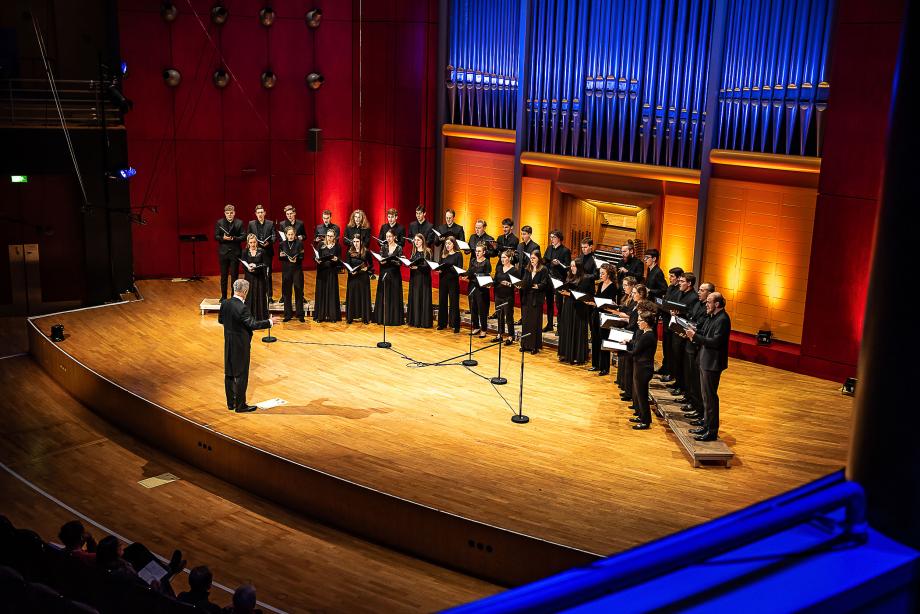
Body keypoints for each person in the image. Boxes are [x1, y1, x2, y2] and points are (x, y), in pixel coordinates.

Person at [219, 279, 277, 413]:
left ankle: (231, 403)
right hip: (241, 345)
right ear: (245, 291)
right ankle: (240, 406)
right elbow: (253, 324)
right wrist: (269, 322)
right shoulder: (242, 307)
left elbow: (221, 320)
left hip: (228, 343)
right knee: (241, 374)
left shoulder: (225, 303)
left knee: (229, 373)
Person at [686, 292, 731, 441]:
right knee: (705, 397)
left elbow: (716, 342)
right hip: (705, 360)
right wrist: (692, 332)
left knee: (710, 398)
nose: (706, 304)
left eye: (709, 302)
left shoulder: (723, 319)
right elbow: (704, 332)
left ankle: (711, 432)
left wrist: (695, 337)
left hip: (712, 364)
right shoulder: (712, 317)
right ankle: (706, 425)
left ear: (717, 304)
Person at [681, 280, 714, 421]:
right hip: (693, 343)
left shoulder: (715, 315)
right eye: (699, 289)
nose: (699, 292)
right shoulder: (698, 304)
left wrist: (693, 332)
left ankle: (698, 409)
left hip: (700, 349)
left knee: (698, 381)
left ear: (710, 294)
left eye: (702, 290)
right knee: (691, 376)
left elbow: (704, 330)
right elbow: (692, 318)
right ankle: (693, 403)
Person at [666, 270, 699, 399]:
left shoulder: (693, 297)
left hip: (683, 332)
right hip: (676, 329)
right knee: (676, 358)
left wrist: (679, 313)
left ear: (689, 283)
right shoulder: (681, 293)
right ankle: (678, 382)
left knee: (681, 361)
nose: (679, 283)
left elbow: (691, 314)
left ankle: (682, 386)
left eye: (682, 281)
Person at [557, 259, 593, 364]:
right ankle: (566, 354)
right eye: (571, 266)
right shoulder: (569, 276)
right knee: (567, 328)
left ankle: (577, 355)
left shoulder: (585, 278)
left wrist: (570, 294)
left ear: (579, 267)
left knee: (577, 330)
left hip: (579, 308)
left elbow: (587, 294)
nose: (572, 268)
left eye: (574, 266)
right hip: (568, 306)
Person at [627, 310, 658, 430]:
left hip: (643, 369)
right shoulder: (646, 334)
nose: (638, 322)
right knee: (639, 394)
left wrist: (620, 352)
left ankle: (646, 421)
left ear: (646, 323)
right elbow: (637, 345)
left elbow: (635, 352)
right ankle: (641, 416)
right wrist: (629, 342)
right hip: (641, 367)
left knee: (642, 395)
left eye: (640, 321)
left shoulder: (648, 336)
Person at [620, 284, 648, 403]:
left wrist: (626, 331)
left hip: (635, 335)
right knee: (628, 366)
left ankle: (630, 393)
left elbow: (636, 324)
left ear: (641, 294)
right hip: (631, 334)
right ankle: (628, 391)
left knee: (632, 366)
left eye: (635, 293)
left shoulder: (643, 307)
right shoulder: (635, 305)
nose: (632, 294)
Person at [588, 263, 618, 375]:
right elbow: (597, 299)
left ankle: (605, 367)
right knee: (595, 339)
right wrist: (592, 302)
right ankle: (595, 364)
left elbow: (611, 303)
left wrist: (599, 303)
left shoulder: (613, 287)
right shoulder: (600, 285)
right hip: (596, 314)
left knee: (603, 341)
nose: (600, 275)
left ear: (609, 274)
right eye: (600, 273)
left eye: (603, 273)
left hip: (605, 316)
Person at [658, 266, 685, 380]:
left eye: (672, 276)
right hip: (665, 319)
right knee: (666, 347)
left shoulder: (679, 291)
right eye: (669, 275)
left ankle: (671, 372)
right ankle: (665, 367)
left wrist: (666, 307)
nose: (669, 278)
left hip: (672, 322)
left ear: (679, 278)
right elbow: (666, 302)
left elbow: (673, 306)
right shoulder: (670, 287)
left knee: (671, 349)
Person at [520, 250, 549, 354]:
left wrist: (538, 286)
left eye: (534, 258)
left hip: (536, 299)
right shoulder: (527, 268)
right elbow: (524, 281)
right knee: (526, 322)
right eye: (531, 258)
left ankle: (534, 346)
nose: (532, 260)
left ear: (539, 259)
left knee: (534, 323)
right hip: (527, 297)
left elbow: (545, 283)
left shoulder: (543, 269)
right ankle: (524, 344)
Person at [215, 204, 245, 301]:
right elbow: (216, 236)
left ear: (234, 213)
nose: (229, 215)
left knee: (234, 276)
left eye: (231, 213)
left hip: (235, 252)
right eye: (227, 213)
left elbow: (243, 237)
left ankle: (233, 296)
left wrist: (233, 238)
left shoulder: (239, 223)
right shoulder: (219, 222)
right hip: (223, 253)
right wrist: (222, 238)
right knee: (223, 276)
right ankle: (223, 296)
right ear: (225, 213)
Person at [374, 230, 404, 325]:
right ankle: (382, 318)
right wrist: (381, 261)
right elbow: (380, 259)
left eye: (390, 236)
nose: (388, 239)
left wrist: (392, 261)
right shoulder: (383, 247)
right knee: (384, 295)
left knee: (394, 295)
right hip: (385, 273)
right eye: (387, 237)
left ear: (394, 237)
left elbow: (400, 263)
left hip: (395, 275)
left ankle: (394, 319)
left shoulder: (399, 248)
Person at [543, 230, 571, 332]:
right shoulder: (549, 248)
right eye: (551, 237)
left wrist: (559, 263)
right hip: (549, 279)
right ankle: (549, 324)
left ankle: (560, 327)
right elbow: (545, 260)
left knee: (559, 305)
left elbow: (567, 267)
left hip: (559, 280)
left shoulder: (565, 251)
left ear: (559, 238)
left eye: (553, 237)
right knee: (549, 303)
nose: (551, 239)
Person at [247, 204, 275, 301]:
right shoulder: (251, 224)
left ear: (265, 213)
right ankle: (256, 295)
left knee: (267, 274)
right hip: (255, 252)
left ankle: (269, 296)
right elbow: (249, 236)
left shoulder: (270, 223)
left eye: (261, 212)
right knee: (256, 273)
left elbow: (274, 237)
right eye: (258, 212)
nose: (260, 214)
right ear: (255, 214)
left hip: (267, 252)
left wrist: (269, 242)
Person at [614, 276, 637, 393]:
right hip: (624, 327)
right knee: (622, 358)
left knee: (626, 360)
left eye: (626, 285)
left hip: (630, 331)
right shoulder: (626, 297)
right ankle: (622, 381)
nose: (624, 288)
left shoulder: (635, 302)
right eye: (623, 285)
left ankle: (626, 387)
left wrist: (620, 313)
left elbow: (630, 315)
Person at [313, 229, 341, 322]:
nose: (329, 238)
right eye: (328, 236)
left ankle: (332, 316)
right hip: (322, 272)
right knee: (322, 293)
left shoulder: (337, 246)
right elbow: (315, 256)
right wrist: (316, 259)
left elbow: (339, 260)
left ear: (334, 237)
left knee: (331, 293)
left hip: (332, 272)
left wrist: (336, 259)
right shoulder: (321, 245)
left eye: (331, 236)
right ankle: (320, 316)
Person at [437, 235, 463, 332]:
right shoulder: (443, 254)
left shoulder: (458, 255)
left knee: (454, 303)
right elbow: (440, 266)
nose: (447, 245)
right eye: (446, 244)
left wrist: (449, 267)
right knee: (442, 302)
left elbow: (459, 269)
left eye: (449, 243)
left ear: (453, 244)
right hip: (443, 280)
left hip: (453, 281)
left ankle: (455, 325)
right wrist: (439, 269)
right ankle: (442, 323)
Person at [279, 226, 305, 322]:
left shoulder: (299, 243)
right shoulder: (282, 244)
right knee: (286, 293)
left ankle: (300, 314)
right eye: (289, 234)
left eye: (292, 234)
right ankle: (288, 314)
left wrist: (296, 258)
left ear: (295, 235)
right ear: (286, 235)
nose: (290, 236)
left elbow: (302, 256)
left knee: (298, 291)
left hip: (297, 270)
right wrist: (287, 258)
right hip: (286, 270)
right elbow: (280, 256)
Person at [407, 233, 433, 328]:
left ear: (422, 240)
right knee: (415, 298)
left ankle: (424, 321)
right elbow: (410, 263)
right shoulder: (413, 251)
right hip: (414, 278)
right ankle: (415, 320)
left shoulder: (428, 251)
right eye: (415, 240)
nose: (416, 242)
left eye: (418, 240)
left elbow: (428, 266)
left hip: (424, 278)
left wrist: (417, 267)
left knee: (423, 298)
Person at [492, 249, 517, 344]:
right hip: (498, 294)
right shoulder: (499, 268)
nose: (502, 259)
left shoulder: (514, 270)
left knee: (509, 316)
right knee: (499, 315)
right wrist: (490, 283)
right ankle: (500, 334)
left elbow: (517, 285)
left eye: (504, 257)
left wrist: (509, 284)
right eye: (501, 257)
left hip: (508, 296)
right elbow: (495, 280)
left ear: (509, 258)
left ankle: (511, 336)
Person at [345, 234, 372, 324]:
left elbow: (371, 264)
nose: (356, 243)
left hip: (363, 277)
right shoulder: (349, 252)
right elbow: (348, 264)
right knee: (352, 296)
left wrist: (366, 268)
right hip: (353, 277)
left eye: (358, 241)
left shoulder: (366, 251)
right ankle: (350, 317)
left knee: (363, 296)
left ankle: (365, 317)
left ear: (361, 242)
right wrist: (350, 271)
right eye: (354, 241)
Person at [241, 234, 269, 321]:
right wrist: (248, 268)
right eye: (251, 242)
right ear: (248, 243)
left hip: (259, 277)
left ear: (257, 242)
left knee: (260, 295)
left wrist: (256, 266)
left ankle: (260, 317)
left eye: (254, 242)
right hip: (249, 277)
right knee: (249, 296)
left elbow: (265, 264)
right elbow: (243, 264)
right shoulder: (245, 252)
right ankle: (250, 317)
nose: (253, 244)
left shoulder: (262, 251)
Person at [467, 243, 492, 338]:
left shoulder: (486, 262)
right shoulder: (473, 261)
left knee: (482, 309)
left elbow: (487, 275)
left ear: (484, 252)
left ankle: (484, 329)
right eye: (476, 251)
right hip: (472, 286)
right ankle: (476, 327)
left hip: (482, 288)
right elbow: (470, 272)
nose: (477, 253)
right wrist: (466, 275)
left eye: (479, 251)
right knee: (473, 307)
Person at [344, 208, 373, 277]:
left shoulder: (366, 228)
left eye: (359, 217)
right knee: (352, 275)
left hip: (362, 255)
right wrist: (354, 244)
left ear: (362, 218)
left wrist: (359, 245)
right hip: (351, 254)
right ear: (353, 218)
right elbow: (345, 240)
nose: (357, 219)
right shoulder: (348, 227)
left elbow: (367, 242)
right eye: (355, 217)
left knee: (362, 275)